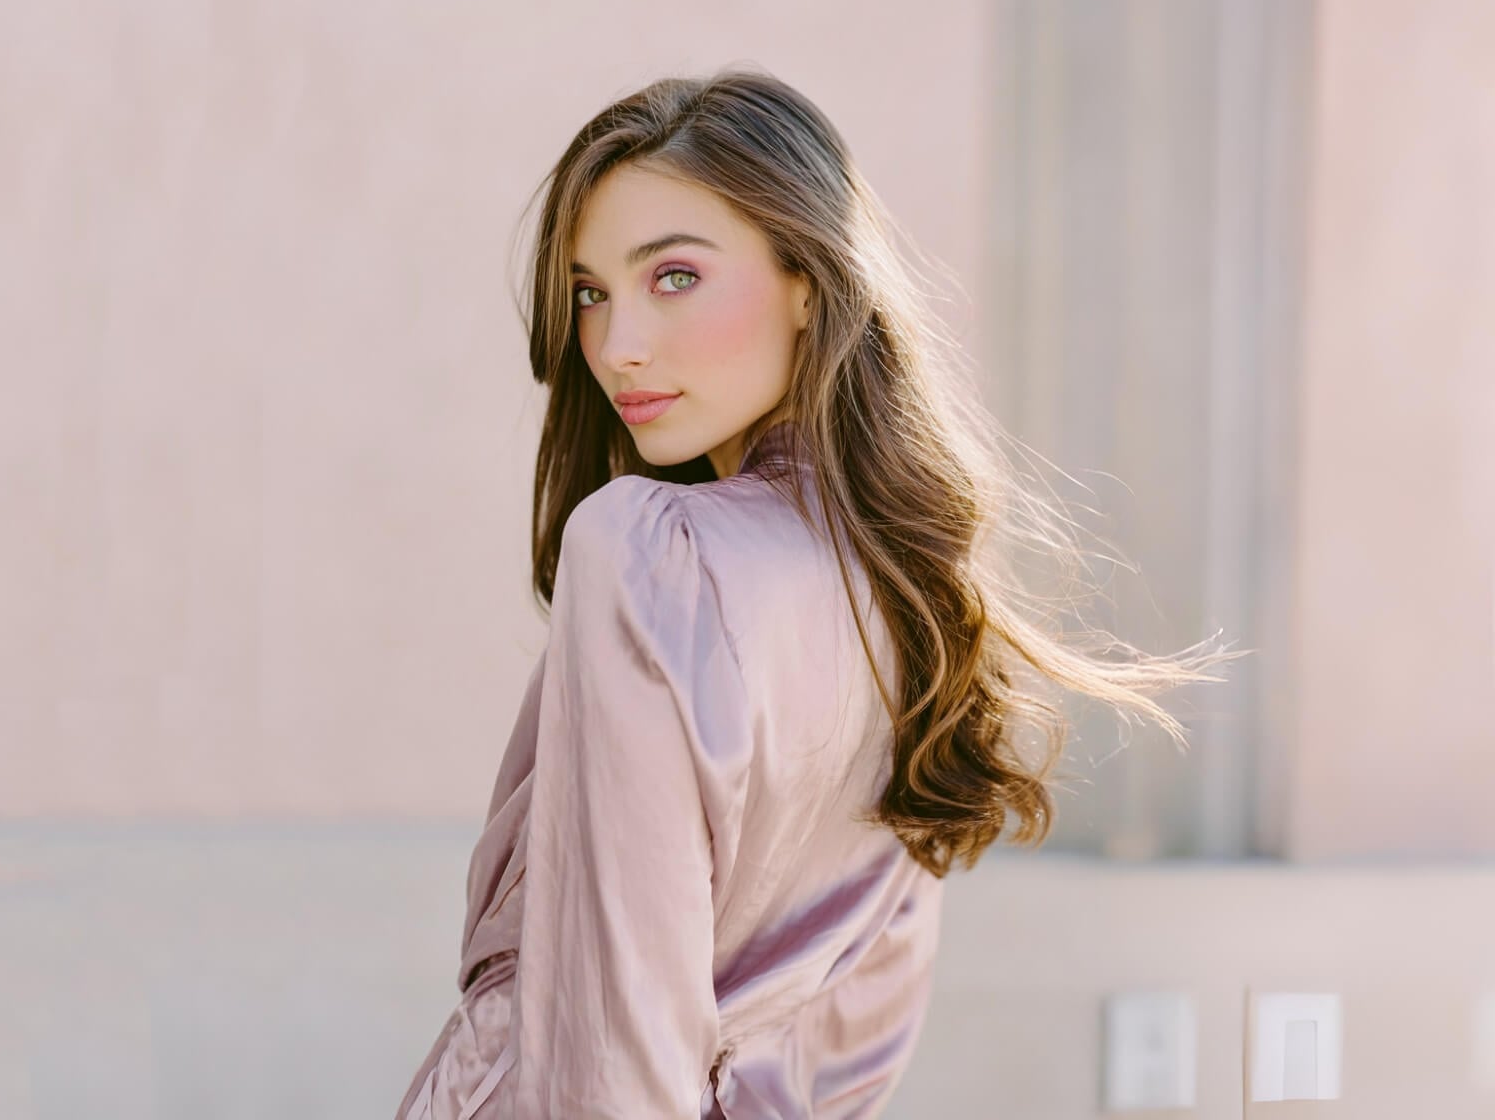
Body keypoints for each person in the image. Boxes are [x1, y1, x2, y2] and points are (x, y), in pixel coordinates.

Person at [393, 68, 1241, 1119]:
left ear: (807, 279)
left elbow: (609, 1042)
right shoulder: (912, 598)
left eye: (673, 278)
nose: (617, 346)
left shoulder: (645, 549)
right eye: (589, 293)